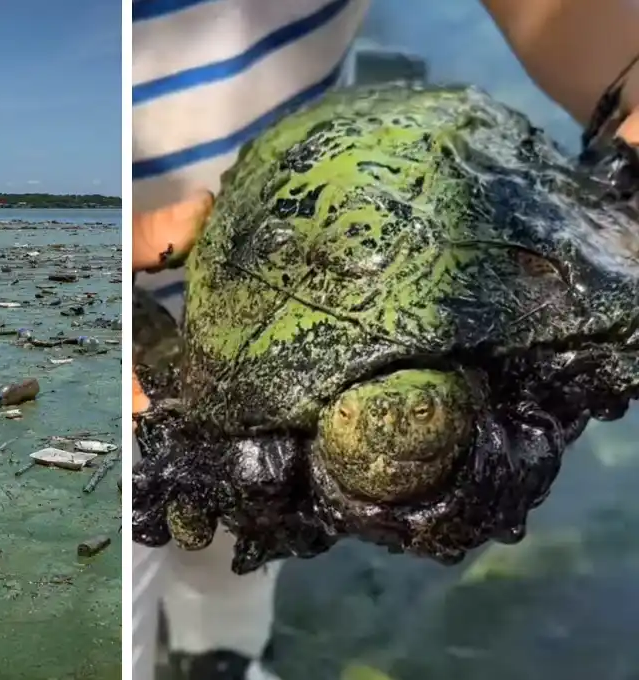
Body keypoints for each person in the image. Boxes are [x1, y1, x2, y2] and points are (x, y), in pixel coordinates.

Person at [131, 1, 639, 679]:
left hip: (361, 175)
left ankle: (223, 654)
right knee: (160, 528)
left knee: (233, 543)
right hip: (142, 314)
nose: (398, 419)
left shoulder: (258, 445)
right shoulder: (252, 446)